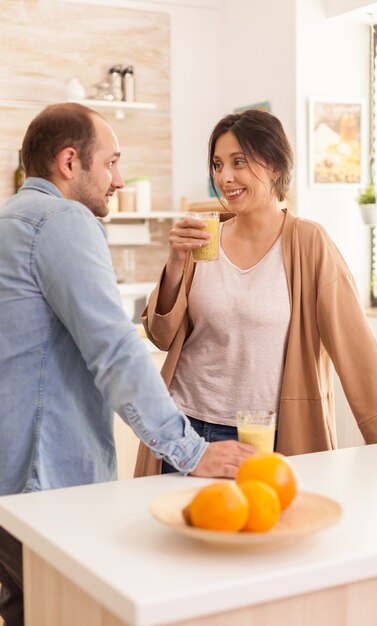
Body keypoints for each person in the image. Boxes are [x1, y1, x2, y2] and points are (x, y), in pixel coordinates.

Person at [0, 103, 254, 626]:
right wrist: (191, 451)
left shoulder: (8, 220)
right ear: (70, 162)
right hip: (43, 482)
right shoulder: (62, 220)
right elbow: (114, 350)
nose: (118, 179)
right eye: (111, 162)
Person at [134, 108, 377, 477]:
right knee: (178, 532)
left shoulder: (307, 242)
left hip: (263, 437)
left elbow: (354, 340)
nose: (225, 177)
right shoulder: (205, 238)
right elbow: (161, 335)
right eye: (218, 165)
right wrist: (175, 262)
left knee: (262, 529)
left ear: (275, 167)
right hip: (184, 430)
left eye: (239, 162)